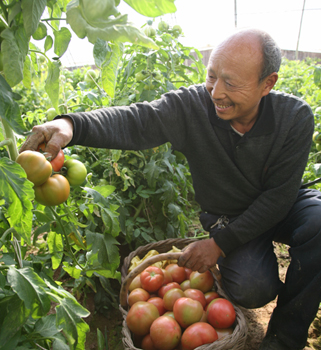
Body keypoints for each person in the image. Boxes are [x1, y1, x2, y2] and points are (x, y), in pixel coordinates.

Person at [20, 28, 320, 350]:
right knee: (252, 288)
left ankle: (284, 338)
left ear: (267, 84)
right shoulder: (192, 108)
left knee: (319, 221)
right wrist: (71, 125)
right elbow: (137, 121)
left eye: (230, 83)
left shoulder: (294, 118)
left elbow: (279, 196)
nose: (216, 92)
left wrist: (219, 245)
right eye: (211, 76)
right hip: (229, 215)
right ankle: (254, 268)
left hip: (282, 202)